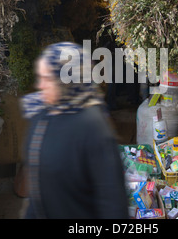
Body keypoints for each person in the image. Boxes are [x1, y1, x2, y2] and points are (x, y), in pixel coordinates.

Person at [20, 42, 129, 219]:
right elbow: (37, 189)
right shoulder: (40, 116)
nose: (40, 85)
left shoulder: (93, 128)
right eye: (40, 77)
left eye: (47, 78)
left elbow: (113, 204)